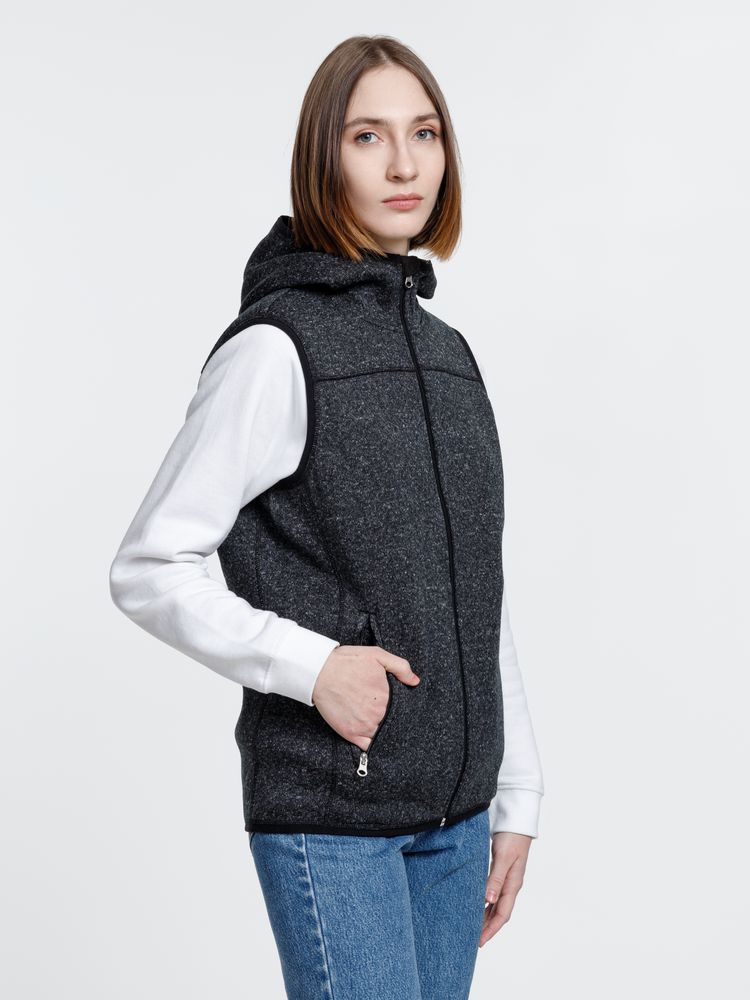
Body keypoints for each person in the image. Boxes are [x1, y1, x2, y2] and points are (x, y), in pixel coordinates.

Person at [109, 34, 544, 1000]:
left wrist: (516, 791)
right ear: (323, 158)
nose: (404, 165)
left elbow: (479, 589)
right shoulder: (276, 349)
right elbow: (149, 564)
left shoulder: (450, 355)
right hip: (334, 814)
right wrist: (311, 667)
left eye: (424, 133)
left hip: (457, 820)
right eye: (368, 136)